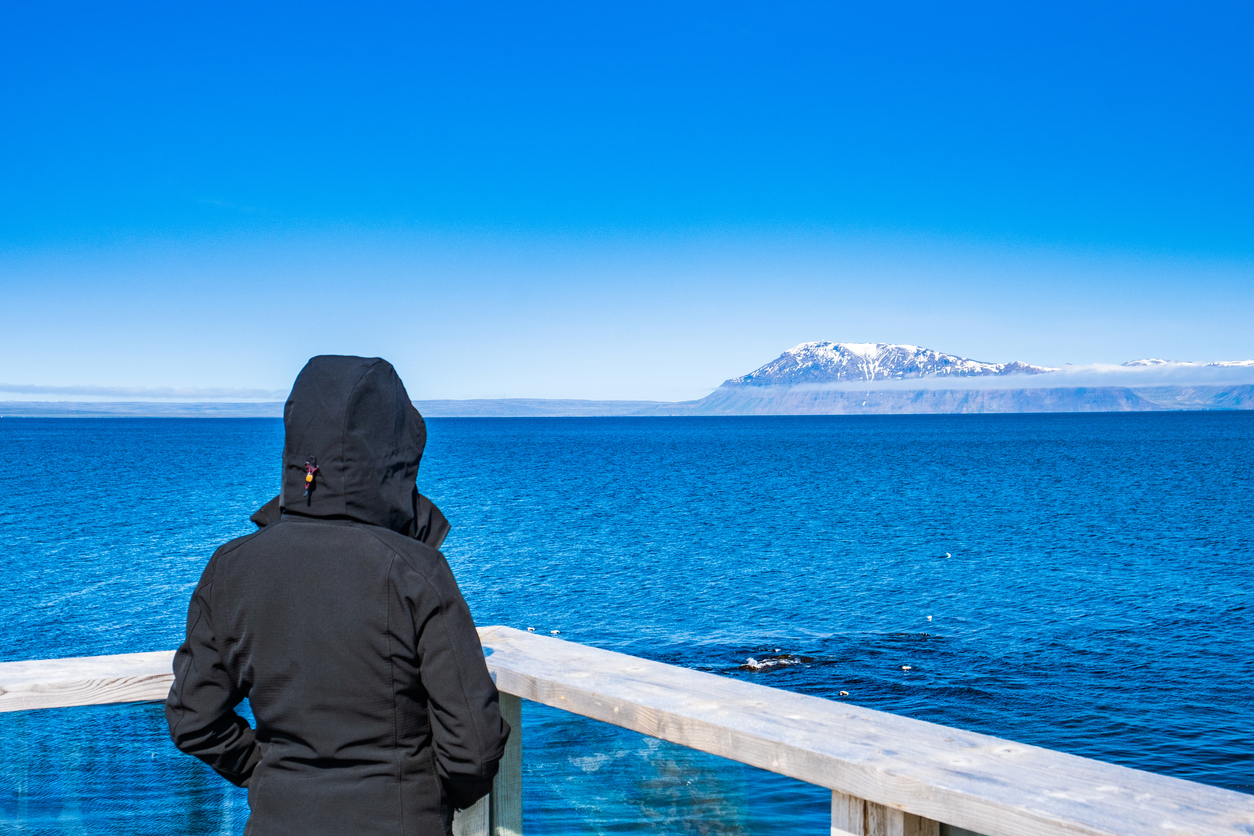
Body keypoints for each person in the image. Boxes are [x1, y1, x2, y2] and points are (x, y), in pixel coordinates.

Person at [166, 355, 509, 835]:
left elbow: (192, 718)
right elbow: (474, 744)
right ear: (395, 454)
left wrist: (266, 775)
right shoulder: (416, 571)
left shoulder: (230, 568)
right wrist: (426, 795)